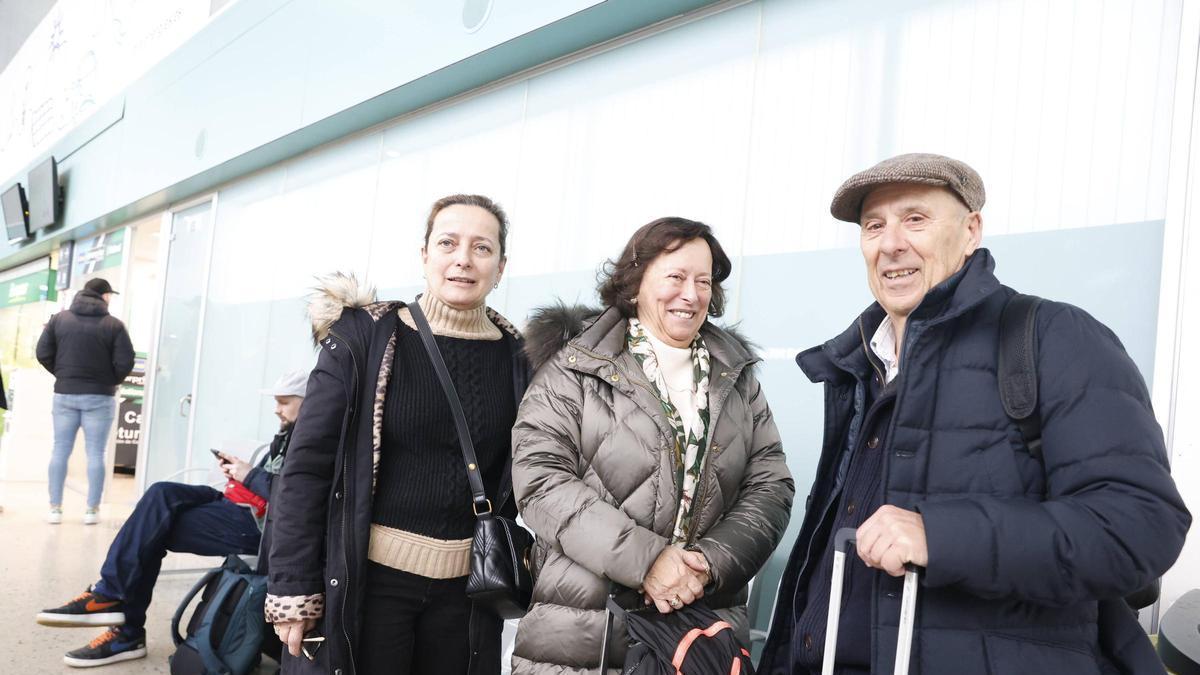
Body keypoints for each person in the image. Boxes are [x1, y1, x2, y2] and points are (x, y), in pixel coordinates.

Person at [758, 153, 1192, 674]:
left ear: (971, 231)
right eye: (874, 225)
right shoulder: (860, 367)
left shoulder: (1055, 338)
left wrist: (938, 535)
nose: (891, 242)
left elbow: (1140, 527)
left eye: (915, 219)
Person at [510, 217, 795, 673]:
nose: (692, 293)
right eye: (676, 277)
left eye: (703, 281)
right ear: (636, 281)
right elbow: (540, 481)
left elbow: (772, 486)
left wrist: (705, 564)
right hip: (586, 632)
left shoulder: (735, 377)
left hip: (700, 630)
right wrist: (648, 561)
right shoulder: (575, 368)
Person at [266, 194, 529, 675]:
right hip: (370, 586)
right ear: (424, 254)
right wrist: (293, 585)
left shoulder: (519, 359)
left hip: (469, 595)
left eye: (482, 248)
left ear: (501, 265)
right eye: (447, 242)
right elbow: (306, 468)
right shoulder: (365, 338)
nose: (462, 260)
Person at [35, 370, 307, 668]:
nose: (276, 409)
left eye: (283, 402)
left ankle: (119, 620)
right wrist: (241, 472)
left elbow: (295, 500)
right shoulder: (289, 433)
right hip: (239, 502)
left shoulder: (312, 444)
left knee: (152, 530)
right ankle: (111, 600)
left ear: (307, 403)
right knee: (161, 494)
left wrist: (250, 474)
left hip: (257, 527)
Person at [36, 277, 135, 525]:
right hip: (100, 397)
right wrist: (108, 380)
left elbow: (42, 353)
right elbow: (126, 361)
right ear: (103, 296)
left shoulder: (59, 320)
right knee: (96, 453)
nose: (110, 298)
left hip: (65, 394)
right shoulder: (114, 325)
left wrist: (63, 375)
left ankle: (55, 509)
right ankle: (91, 510)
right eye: (109, 294)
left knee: (60, 449)